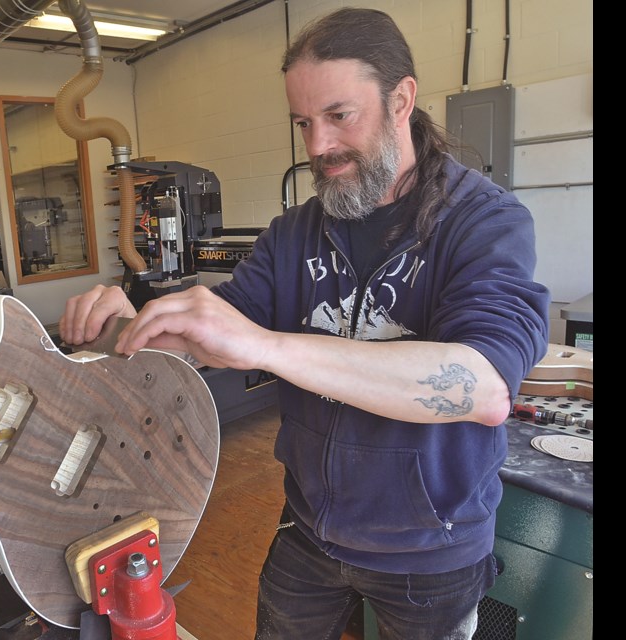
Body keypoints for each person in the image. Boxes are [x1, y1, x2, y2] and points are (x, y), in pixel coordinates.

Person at [58, 8, 550, 640]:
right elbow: (221, 328)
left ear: (401, 99)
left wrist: (266, 347)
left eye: (339, 116)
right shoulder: (295, 233)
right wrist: (141, 323)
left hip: (430, 547)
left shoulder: (484, 222)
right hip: (310, 530)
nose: (316, 146)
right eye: (303, 123)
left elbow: (482, 386)